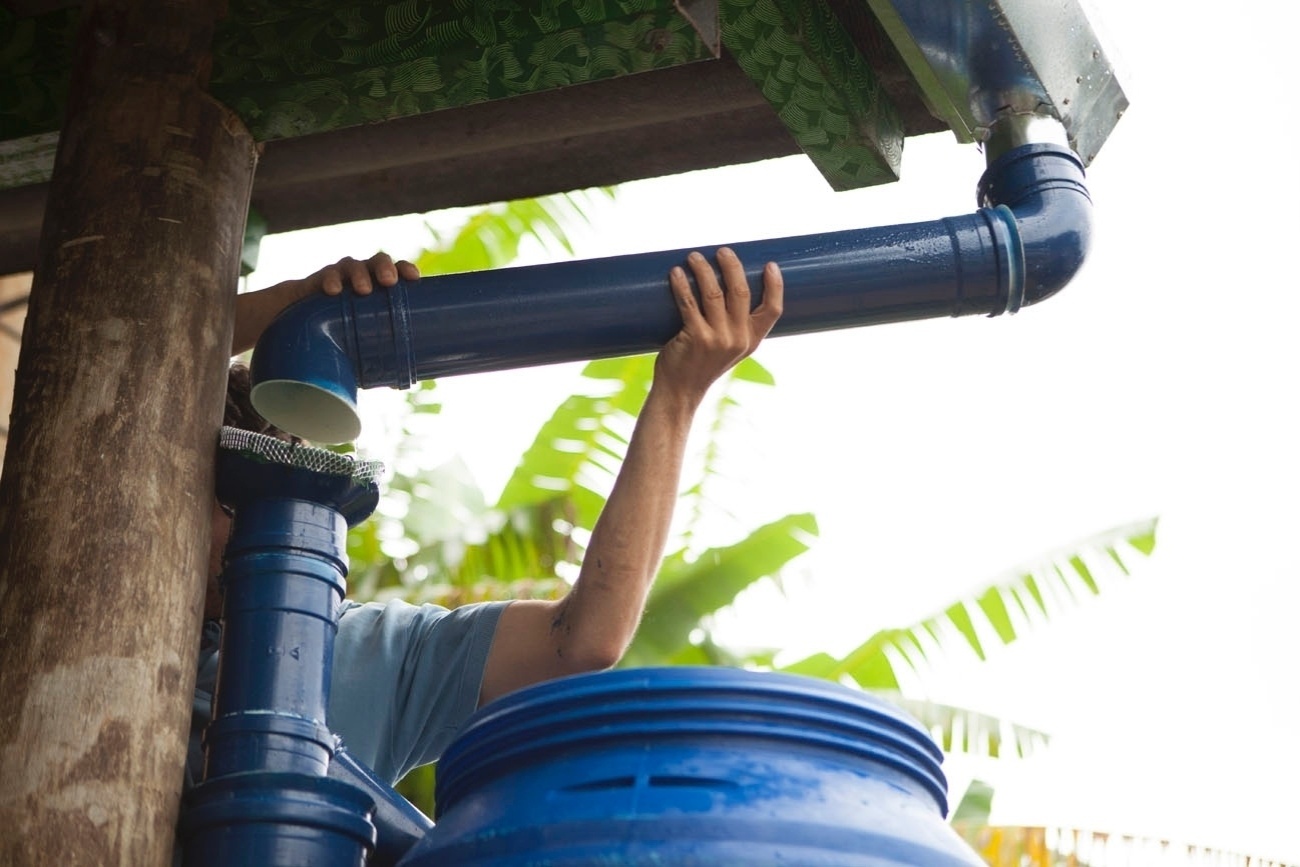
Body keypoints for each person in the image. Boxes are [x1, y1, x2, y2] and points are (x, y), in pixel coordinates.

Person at [192, 247, 784, 789]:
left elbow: (582, 641)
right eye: (226, 498)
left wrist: (677, 398)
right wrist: (285, 305)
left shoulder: (359, 651)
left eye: (261, 504)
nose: (251, 526)